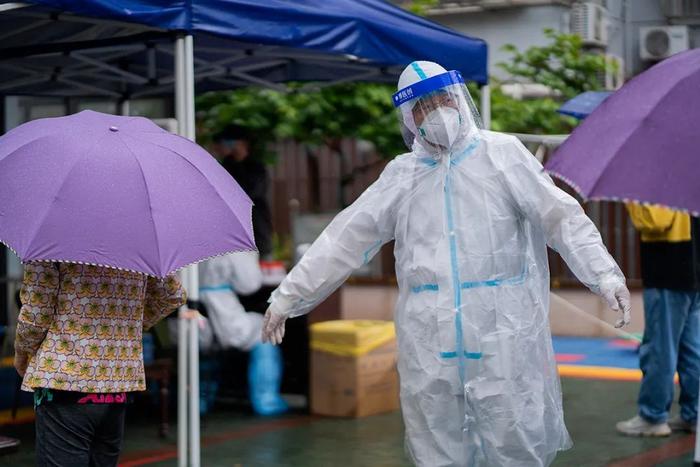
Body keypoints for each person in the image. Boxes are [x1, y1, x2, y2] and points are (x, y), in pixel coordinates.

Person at [262, 61, 631, 467]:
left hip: (501, 333)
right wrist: (287, 298)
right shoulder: (402, 176)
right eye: (422, 106)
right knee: (435, 445)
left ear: (459, 100)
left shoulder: (501, 155)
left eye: (442, 99)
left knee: (514, 440)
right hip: (429, 340)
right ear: (409, 118)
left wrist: (604, 274)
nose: (435, 111)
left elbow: (560, 217)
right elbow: (345, 239)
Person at [13, 262, 186, 467]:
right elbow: (172, 294)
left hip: (64, 378)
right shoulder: (139, 237)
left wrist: (22, 352)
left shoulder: (50, 239)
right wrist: (125, 327)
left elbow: (36, 313)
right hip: (117, 382)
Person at [616, 204, 700, 436]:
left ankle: (653, 416)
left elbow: (655, 220)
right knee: (691, 349)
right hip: (692, 272)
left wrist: (632, 200)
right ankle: (693, 414)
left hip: (668, 273)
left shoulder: (662, 181)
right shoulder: (690, 176)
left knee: (660, 348)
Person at [197, 251, 288, 416]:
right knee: (265, 330)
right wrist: (250, 253)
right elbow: (249, 285)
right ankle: (266, 400)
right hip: (223, 317)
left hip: (188, 325)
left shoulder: (180, 243)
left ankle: (200, 400)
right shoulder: (228, 242)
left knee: (202, 350)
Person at [213, 125, 273, 259]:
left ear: (243, 143)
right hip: (231, 236)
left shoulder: (257, 168)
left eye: (231, 142)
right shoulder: (224, 166)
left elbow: (253, 194)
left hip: (257, 230)